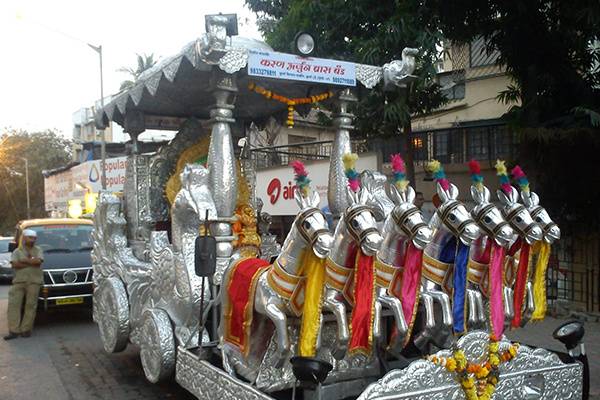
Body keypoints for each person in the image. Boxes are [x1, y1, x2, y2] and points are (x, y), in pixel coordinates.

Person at [3, 229, 44, 340]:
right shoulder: (17, 251)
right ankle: (13, 331)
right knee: (13, 305)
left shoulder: (38, 250)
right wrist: (31, 261)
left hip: (34, 282)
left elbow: (38, 262)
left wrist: (23, 261)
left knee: (31, 306)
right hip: (19, 281)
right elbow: (15, 265)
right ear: (24, 238)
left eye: (34, 238)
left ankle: (26, 329)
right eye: (30, 238)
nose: (33, 240)